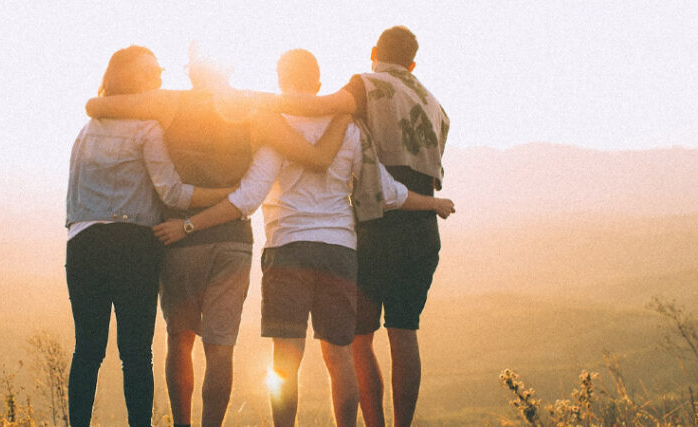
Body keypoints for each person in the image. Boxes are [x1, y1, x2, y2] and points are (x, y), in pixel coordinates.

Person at [153, 49, 454, 427]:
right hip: (339, 251)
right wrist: (432, 202)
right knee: (339, 355)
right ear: (318, 82)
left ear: (280, 81)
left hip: (288, 249)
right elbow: (387, 191)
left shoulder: (276, 126)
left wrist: (191, 223)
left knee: (286, 359)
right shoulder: (349, 127)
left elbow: (248, 198)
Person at [84, 44, 350, 427]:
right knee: (220, 348)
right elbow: (314, 152)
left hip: (179, 239)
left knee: (180, 340)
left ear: (192, 71)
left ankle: (182, 424)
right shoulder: (255, 107)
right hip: (233, 241)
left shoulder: (169, 103)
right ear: (229, 67)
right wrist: (345, 105)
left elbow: (96, 106)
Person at [258, 27, 451, 427]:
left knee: (358, 340)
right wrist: (432, 203)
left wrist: (251, 102)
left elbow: (321, 107)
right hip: (421, 224)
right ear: (413, 63)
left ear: (374, 52)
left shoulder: (366, 85)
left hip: (376, 223)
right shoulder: (435, 104)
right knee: (405, 331)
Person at [64, 45, 236, 427]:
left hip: (82, 244)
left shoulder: (85, 131)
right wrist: (227, 195)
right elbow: (172, 193)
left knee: (87, 350)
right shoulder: (147, 128)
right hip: (132, 246)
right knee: (136, 353)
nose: (159, 76)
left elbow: (73, 198)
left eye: (159, 68)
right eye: (149, 71)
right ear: (129, 77)